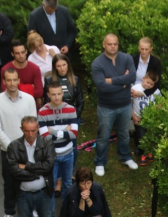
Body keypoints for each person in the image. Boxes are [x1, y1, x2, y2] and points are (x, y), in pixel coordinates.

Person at [7, 116, 59, 217]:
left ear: (37, 129)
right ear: (21, 129)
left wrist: (27, 166)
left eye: (33, 130)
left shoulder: (47, 143)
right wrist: (37, 173)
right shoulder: (13, 146)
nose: (30, 134)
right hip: (23, 194)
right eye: (27, 131)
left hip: (43, 192)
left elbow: (48, 166)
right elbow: (13, 171)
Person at [92, 33, 138, 176]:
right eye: (109, 44)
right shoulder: (97, 63)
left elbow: (132, 76)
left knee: (124, 134)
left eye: (115, 44)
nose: (113, 46)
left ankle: (125, 157)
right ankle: (100, 162)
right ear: (104, 45)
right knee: (103, 136)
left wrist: (111, 80)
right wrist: (123, 83)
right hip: (106, 107)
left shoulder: (127, 58)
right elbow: (101, 86)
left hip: (125, 105)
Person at [0, 68, 37, 217]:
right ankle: (9, 212)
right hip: (7, 150)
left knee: (30, 180)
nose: (12, 83)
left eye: (15, 79)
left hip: (28, 148)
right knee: (9, 182)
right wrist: (12, 148)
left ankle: (33, 209)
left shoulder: (28, 99)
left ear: (19, 80)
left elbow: (33, 123)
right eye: (9, 80)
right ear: (4, 82)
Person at [44, 53, 84, 187]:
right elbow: (46, 101)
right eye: (59, 66)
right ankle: (58, 178)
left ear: (68, 65)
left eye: (64, 65)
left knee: (72, 146)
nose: (62, 68)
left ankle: (70, 172)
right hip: (54, 118)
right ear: (55, 68)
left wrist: (73, 118)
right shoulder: (49, 79)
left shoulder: (75, 79)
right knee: (55, 145)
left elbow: (80, 101)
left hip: (71, 118)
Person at [38, 81, 78, 205]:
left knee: (67, 183)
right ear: (48, 95)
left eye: (59, 94)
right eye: (53, 94)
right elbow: (45, 137)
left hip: (68, 153)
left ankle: (67, 210)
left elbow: (74, 135)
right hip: (51, 155)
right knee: (51, 183)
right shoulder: (42, 112)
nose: (56, 97)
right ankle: (50, 215)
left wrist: (53, 131)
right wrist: (64, 131)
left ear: (63, 93)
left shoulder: (71, 109)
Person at [0, 40, 43, 107]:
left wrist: (17, 87)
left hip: (30, 104)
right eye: (17, 53)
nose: (21, 56)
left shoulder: (35, 68)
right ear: (12, 54)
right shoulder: (5, 69)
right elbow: (6, 91)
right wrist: (30, 87)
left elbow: (39, 92)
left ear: (26, 51)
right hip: (12, 104)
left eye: (23, 52)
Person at [131, 71, 161, 165]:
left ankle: (149, 151)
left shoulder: (155, 91)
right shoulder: (135, 88)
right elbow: (129, 103)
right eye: (148, 82)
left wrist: (155, 112)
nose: (149, 85)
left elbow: (160, 102)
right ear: (143, 78)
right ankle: (143, 153)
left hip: (150, 118)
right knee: (141, 135)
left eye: (151, 84)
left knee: (150, 135)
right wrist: (133, 116)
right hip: (139, 117)